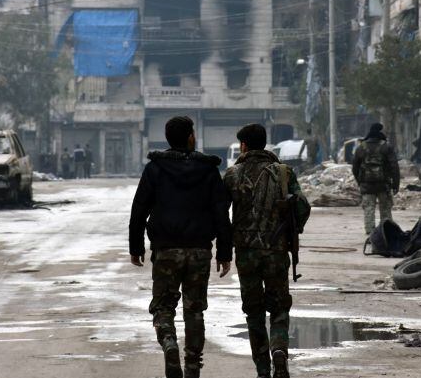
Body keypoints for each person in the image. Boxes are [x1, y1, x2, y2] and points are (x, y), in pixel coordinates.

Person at [129, 116, 232, 378]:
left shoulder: (155, 168)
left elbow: (139, 209)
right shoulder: (208, 170)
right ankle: (193, 366)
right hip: (199, 250)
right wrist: (224, 251)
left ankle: (169, 343)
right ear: (189, 137)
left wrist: (136, 246)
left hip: (166, 250)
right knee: (194, 309)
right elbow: (221, 211)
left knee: (163, 307)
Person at [223, 124, 311, 378]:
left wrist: (225, 248)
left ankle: (262, 369)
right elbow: (303, 207)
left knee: (253, 312)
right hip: (276, 251)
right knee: (280, 308)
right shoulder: (283, 173)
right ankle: (280, 351)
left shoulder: (232, 174)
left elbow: (219, 213)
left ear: (244, 146)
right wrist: (292, 231)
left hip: (246, 253)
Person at [352, 123, 400, 236]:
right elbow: (394, 167)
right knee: (385, 210)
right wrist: (396, 184)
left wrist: (360, 182)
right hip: (383, 185)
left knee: (369, 210)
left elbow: (355, 168)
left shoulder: (361, 147)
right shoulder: (386, 147)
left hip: (367, 185)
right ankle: (387, 234)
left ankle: (371, 235)